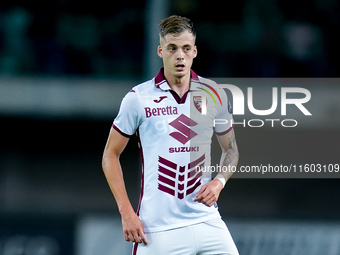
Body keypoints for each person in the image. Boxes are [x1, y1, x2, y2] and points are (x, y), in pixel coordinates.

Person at [102, 15, 239, 255]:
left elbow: (232, 150)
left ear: (195, 51)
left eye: (186, 49)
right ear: (160, 51)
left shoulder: (214, 93)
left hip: (207, 221)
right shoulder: (138, 98)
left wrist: (219, 182)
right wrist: (127, 213)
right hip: (159, 230)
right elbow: (110, 156)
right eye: (172, 48)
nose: (180, 55)